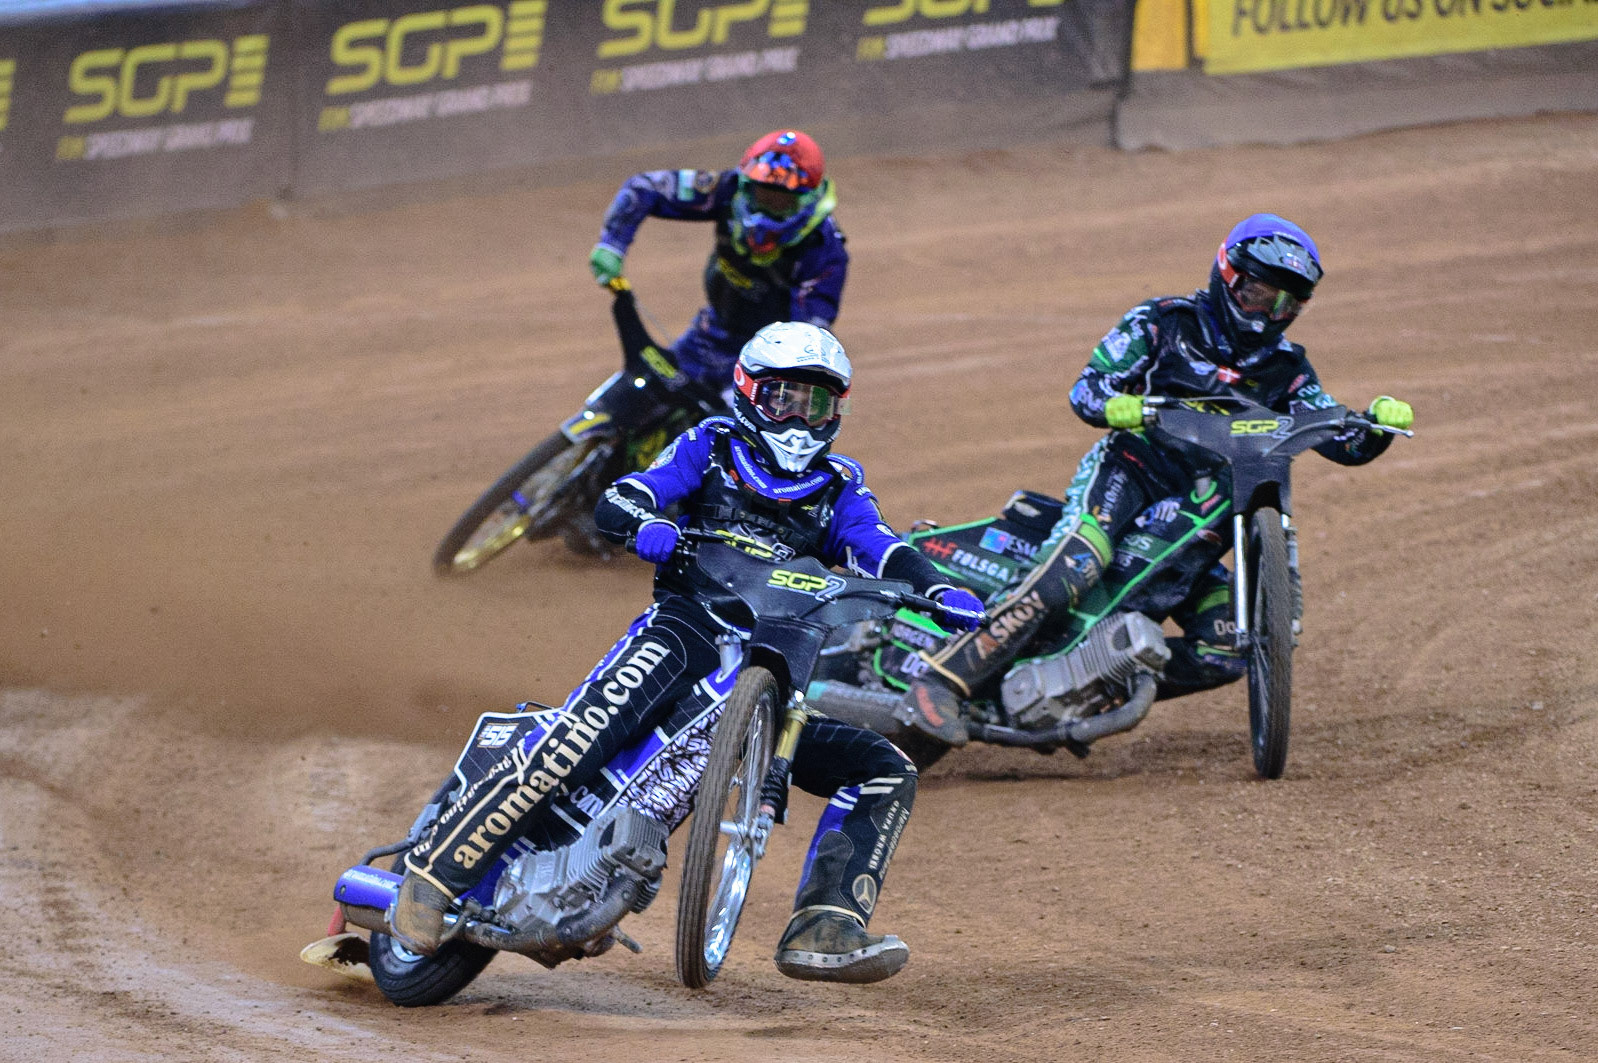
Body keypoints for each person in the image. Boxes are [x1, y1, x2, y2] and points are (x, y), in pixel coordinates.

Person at [392, 321, 985, 984]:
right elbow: (631, 491)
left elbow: (884, 544)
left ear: (836, 413)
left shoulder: (839, 487)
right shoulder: (710, 446)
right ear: (748, 391)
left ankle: (825, 925)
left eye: (814, 403)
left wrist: (938, 587)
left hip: (774, 667)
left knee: (883, 768)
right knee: (576, 739)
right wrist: (642, 520)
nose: (797, 416)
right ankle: (435, 877)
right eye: (782, 396)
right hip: (683, 633)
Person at [900, 213, 1416, 742]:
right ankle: (943, 681)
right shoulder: (1163, 322)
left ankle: (1083, 689)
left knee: (1227, 645)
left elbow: (1340, 438)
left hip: (1206, 507)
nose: (1269, 312)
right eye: (1261, 294)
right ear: (1228, 276)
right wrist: (1117, 406)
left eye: (1287, 303)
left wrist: (1375, 424)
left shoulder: (1288, 368)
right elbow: (1088, 390)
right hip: (1132, 471)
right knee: (1076, 566)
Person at [586, 129, 848, 395]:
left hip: (764, 358)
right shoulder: (728, 189)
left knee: (729, 432)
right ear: (746, 185)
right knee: (646, 394)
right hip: (710, 334)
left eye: (779, 200)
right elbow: (645, 187)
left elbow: (807, 333)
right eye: (762, 194)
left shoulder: (824, 248)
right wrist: (612, 244)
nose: (765, 208)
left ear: (806, 199)